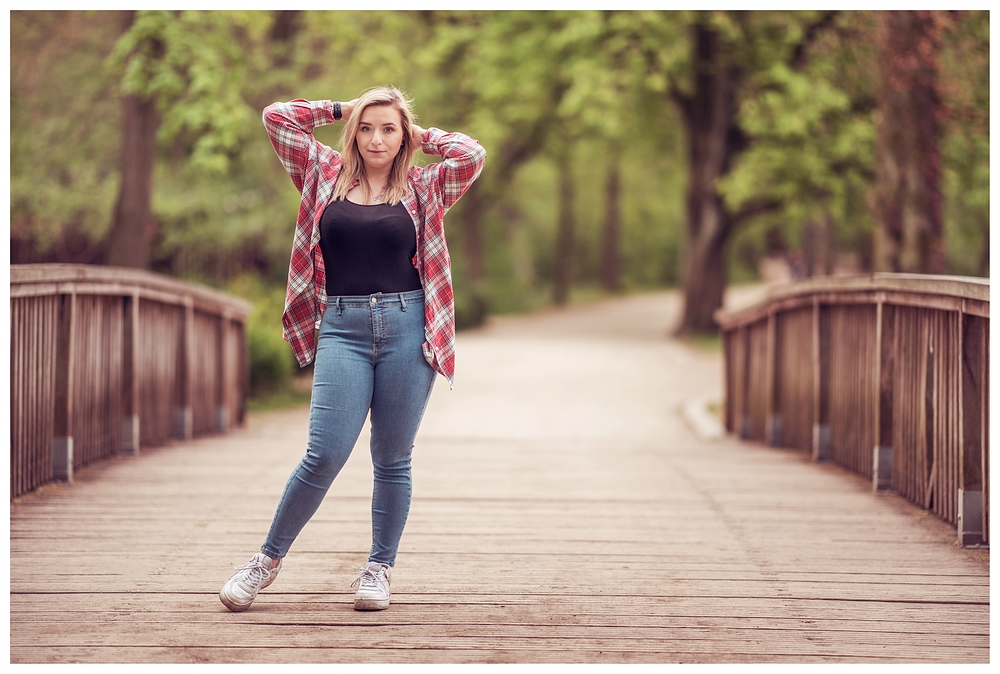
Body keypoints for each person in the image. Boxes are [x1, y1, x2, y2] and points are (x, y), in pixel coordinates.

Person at [220, 87, 486, 612]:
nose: (376, 139)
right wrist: (347, 106)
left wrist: (420, 134)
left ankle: (378, 569)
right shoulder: (323, 172)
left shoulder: (426, 185)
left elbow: (472, 154)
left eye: (388, 129)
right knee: (323, 453)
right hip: (341, 327)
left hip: (409, 328)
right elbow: (277, 118)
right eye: (367, 128)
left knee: (392, 457)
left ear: (402, 135)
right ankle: (265, 563)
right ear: (353, 134)